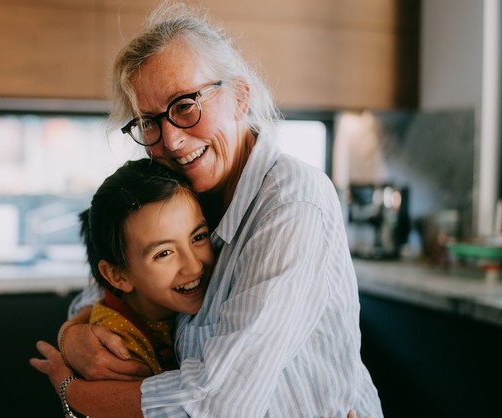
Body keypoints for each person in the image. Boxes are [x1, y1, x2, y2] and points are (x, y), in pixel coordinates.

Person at [31, 1, 384, 417]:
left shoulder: (292, 203)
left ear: (239, 96)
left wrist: (74, 393)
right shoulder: (183, 188)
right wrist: (74, 331)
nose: (172, 141)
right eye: (150, 121)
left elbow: (218, 403)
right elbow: (112, 281)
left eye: (185, 105)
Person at [78, 158, 214, 376]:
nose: (193, 266)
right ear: (117, 276)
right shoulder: (117, 351)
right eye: (164, 253)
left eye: (198, 237)